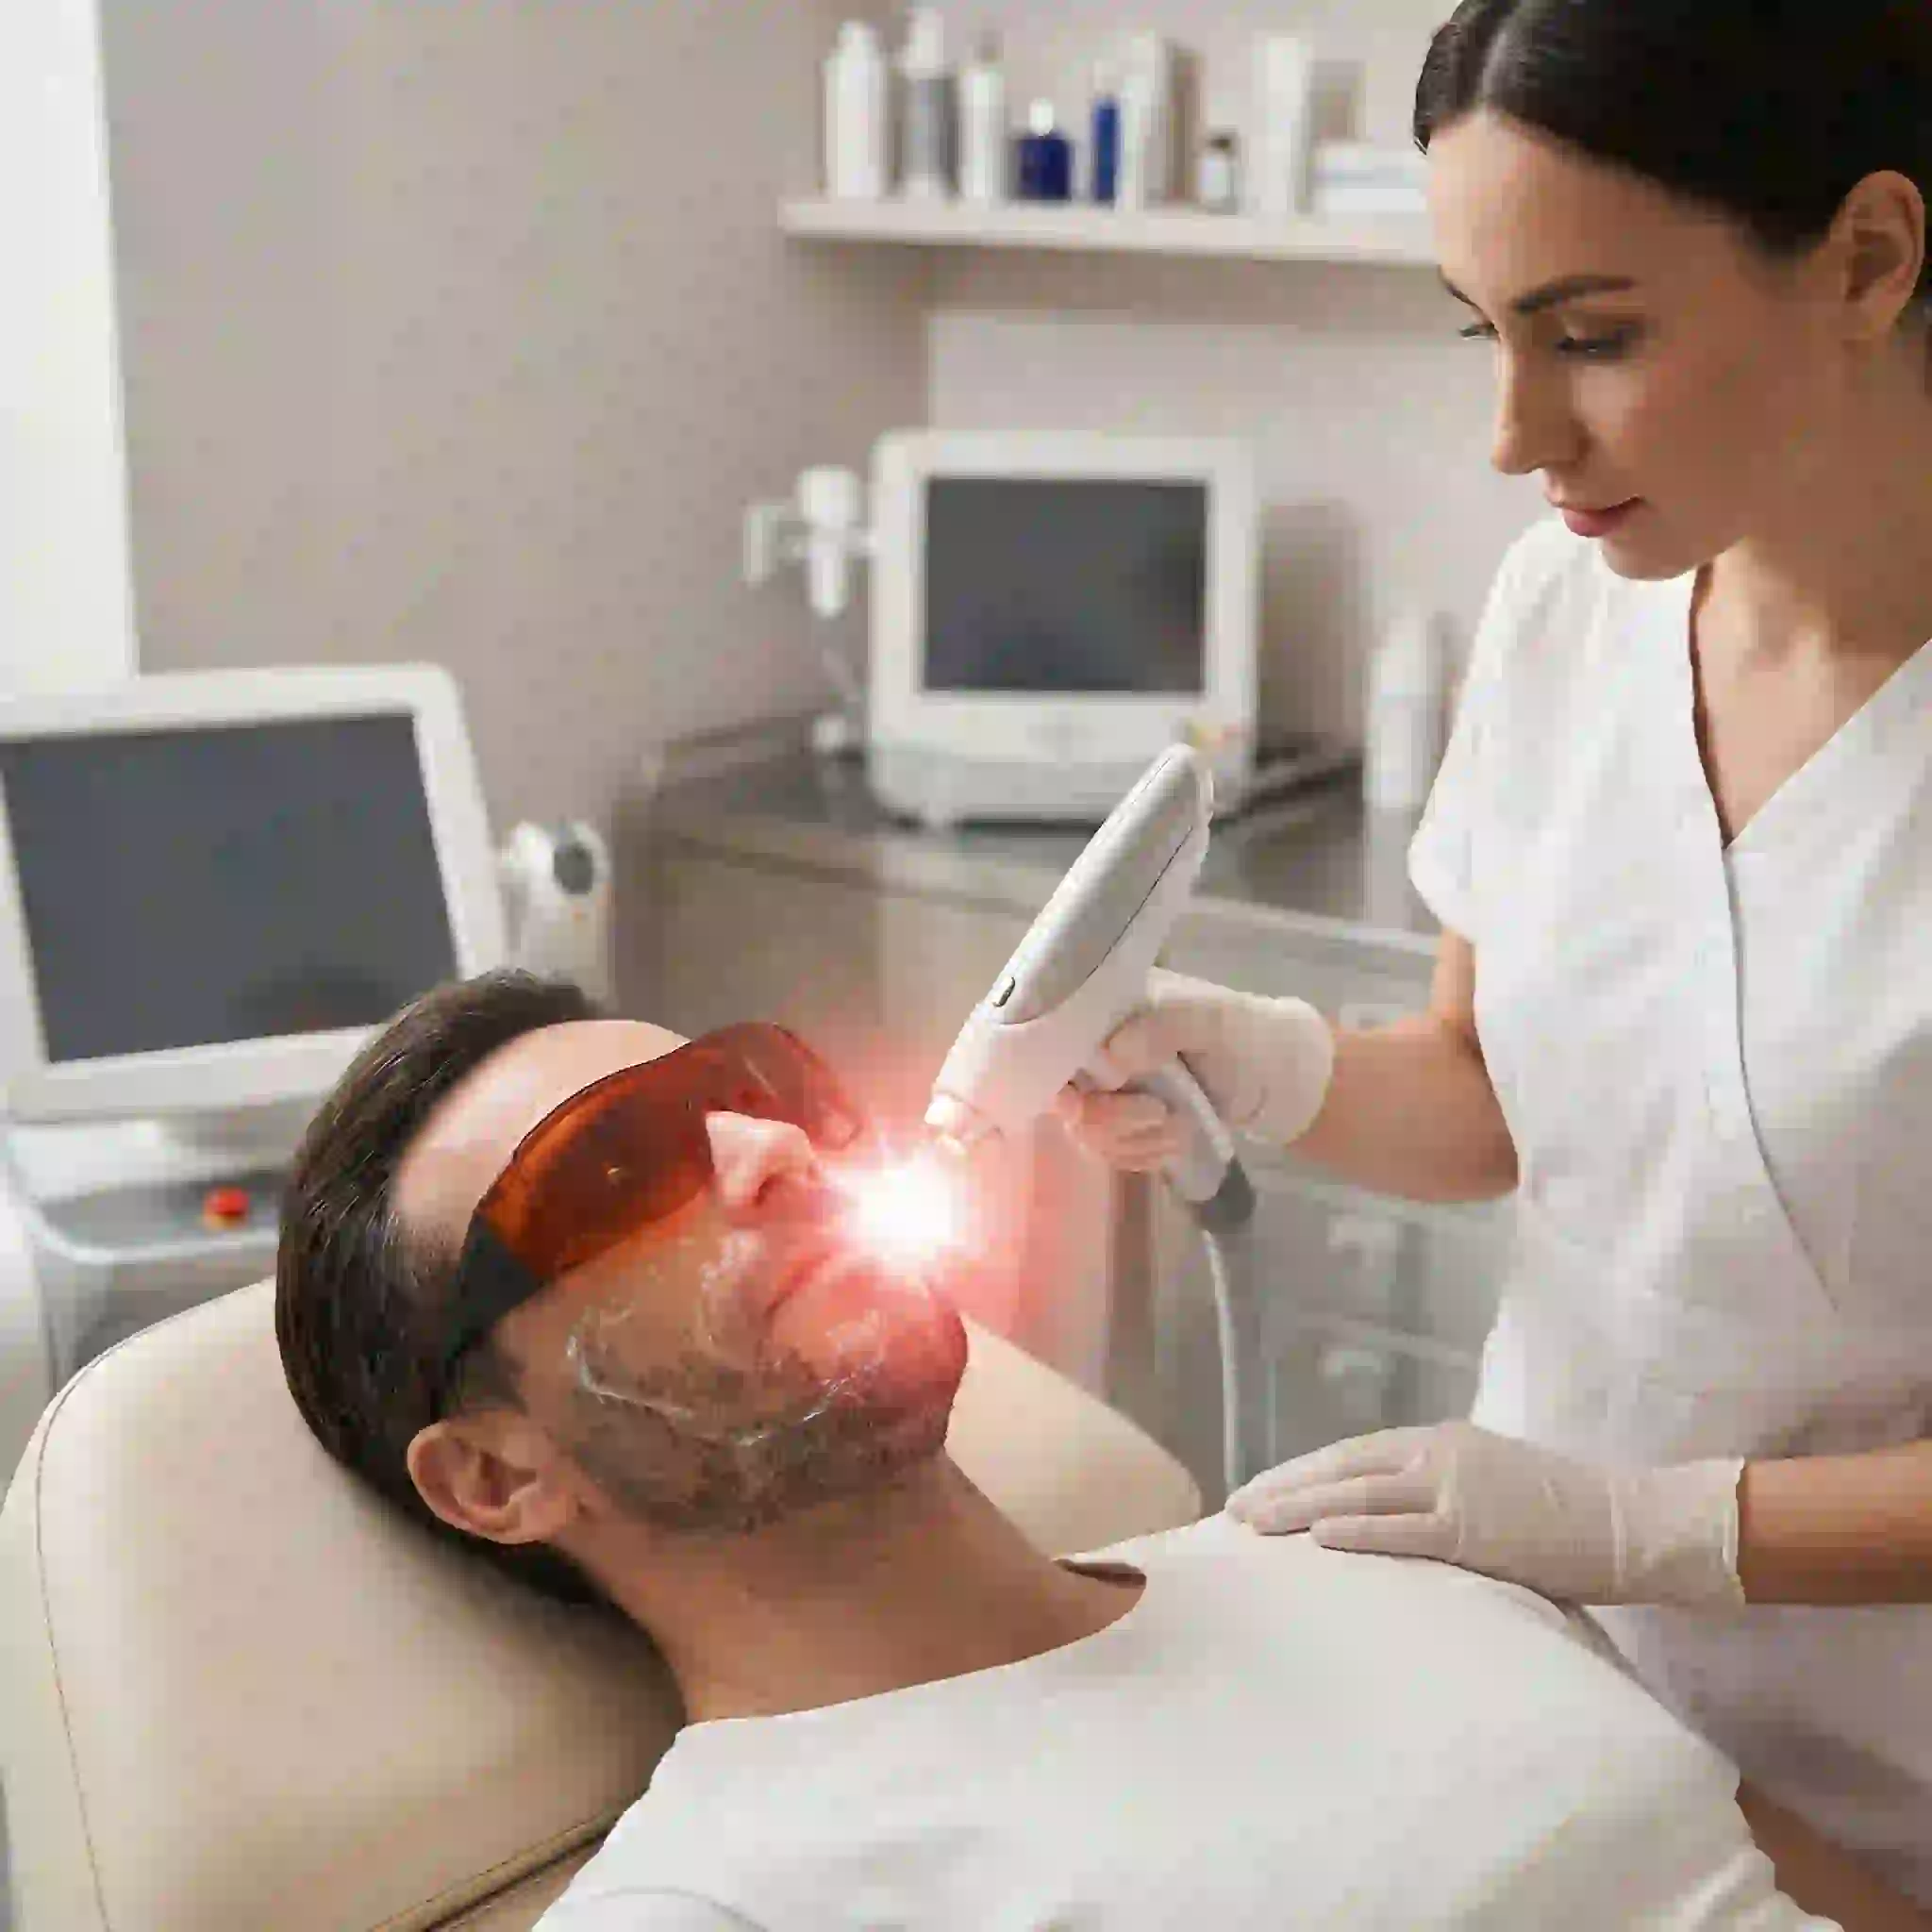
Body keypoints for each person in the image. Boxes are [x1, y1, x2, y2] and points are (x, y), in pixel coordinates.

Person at [1058, 0, 1932, 1905]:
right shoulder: (1565, 606)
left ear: (1867, 258)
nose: (1512, 435)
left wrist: (1646, 1521)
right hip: (1560, 1689)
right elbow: (1483, 1099)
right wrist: (1268, 1059)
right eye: (1485, 331)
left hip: (1893, 1773)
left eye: (1592, 336)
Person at [276, 972, 1929, 1928]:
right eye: (616, 1170)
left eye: (751, 1087)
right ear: (496, 1476)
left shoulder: (1372, 1545)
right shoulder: (728, 1906)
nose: (772, 1150)